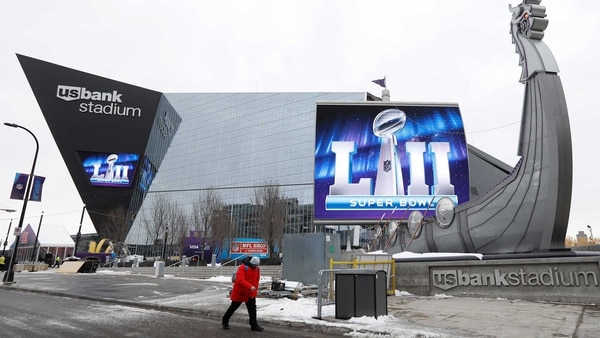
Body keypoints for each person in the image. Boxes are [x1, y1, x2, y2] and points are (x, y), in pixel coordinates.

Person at [222, 256, 264, 332]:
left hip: (250, 292)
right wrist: (250, 286)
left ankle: (254, 325)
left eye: (256, 265)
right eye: (253, 265)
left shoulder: (257, 269)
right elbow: (240, 280)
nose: (255, 266)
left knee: (252, 309)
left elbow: (256, 280)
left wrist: (254, 290)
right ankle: (225, 321)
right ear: (250, 263)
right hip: (240, 292)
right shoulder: (243, 267)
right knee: (233, 307)